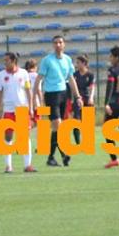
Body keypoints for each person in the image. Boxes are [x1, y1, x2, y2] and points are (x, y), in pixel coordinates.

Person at [33, 35, 84, 167]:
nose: (58, 45)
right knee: (58, 125)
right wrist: (35, 98)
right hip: (51, 95)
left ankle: (52, 157)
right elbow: (38, 79)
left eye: (60, 42)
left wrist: (78, 97)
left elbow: (71, 78)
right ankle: (62, 153)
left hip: (63, 94)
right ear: (53, 45)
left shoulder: (67, 59)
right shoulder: (47, 60)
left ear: (64, 44)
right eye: (55, 43)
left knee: (57, 128)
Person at [0, 53, 36, 174]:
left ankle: (27, 165)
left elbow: (28, 91)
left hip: (22, 109)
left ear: (13, 61)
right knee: (8, 137)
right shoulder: (1, 75)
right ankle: (8, 166)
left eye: (6, 60)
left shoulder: (24, 73)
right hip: (8, 110)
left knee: (24, 137)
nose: (5, 62)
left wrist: (31, 107)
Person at [71, 54, 95, 145]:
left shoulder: (90, 75)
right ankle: (78, 143)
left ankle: (87, 142)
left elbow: (92, 87)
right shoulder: (75, 75)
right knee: (76, 121)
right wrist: (72, 99)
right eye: (76, 63)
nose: (76, 64)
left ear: (84, 63)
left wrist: (91, 97)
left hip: (87, 99)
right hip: (77, 100)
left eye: (78, 63)